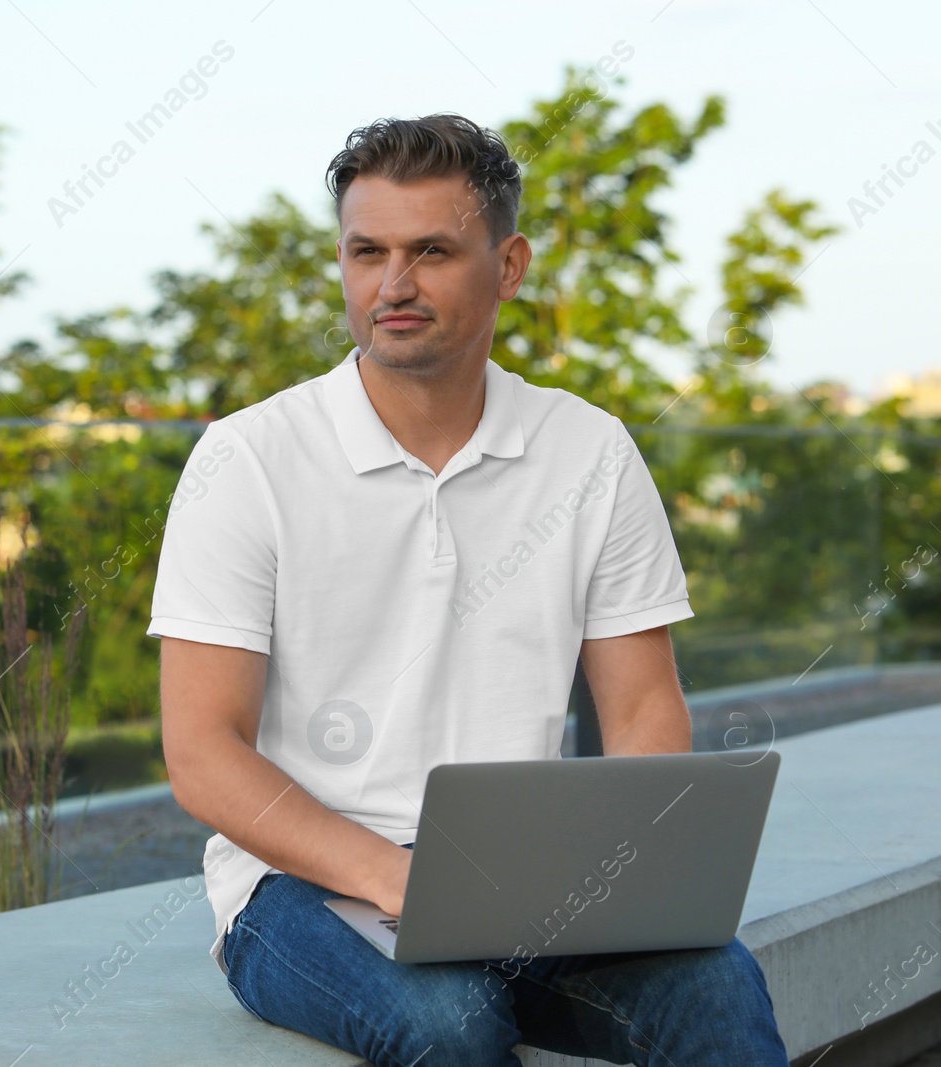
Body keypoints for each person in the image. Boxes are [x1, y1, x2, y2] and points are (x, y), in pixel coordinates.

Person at [147, 114, 790, 1066]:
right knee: (449, 1022)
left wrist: (620, 880)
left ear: (510, 265)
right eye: (367, 252)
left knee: (716, 984)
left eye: (432, 252)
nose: (392, 285)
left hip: (527, 882)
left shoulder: (590, 450)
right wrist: (395, 877)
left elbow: (645, 702)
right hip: (296, 889)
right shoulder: (247, 458)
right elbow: (202, 751)